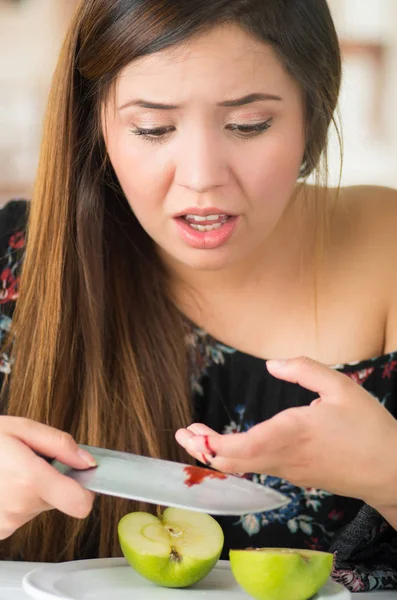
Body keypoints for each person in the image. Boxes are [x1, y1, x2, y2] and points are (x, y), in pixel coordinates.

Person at [0, 0, 396, 592]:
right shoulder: (22, 266)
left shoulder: (387, 248)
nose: (202, 176)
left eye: (247, 125)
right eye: (153, 129)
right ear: (95, 125)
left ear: (314, 116)